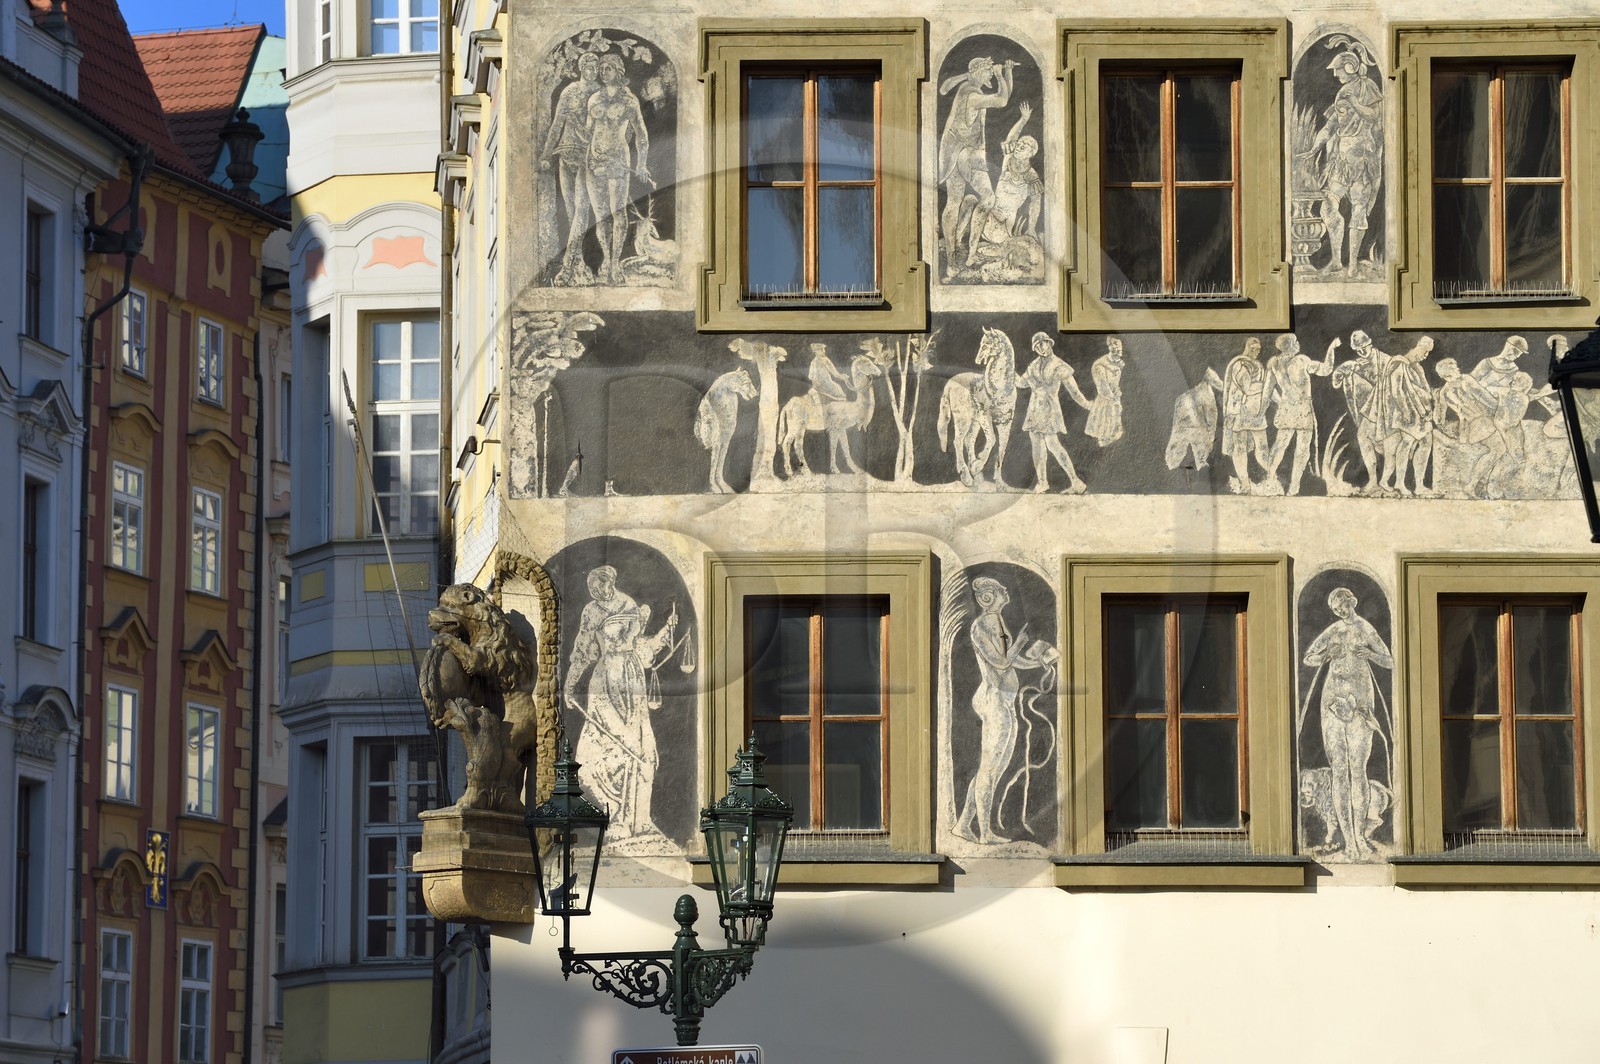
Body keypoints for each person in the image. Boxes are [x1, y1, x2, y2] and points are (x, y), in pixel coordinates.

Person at [565, 566, 675, 845]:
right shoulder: (591, 611)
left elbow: (638, 645)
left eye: (601, 585)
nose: (597, 591)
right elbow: (583, 650)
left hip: (632, 677)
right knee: (610, 742)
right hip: (605, 679)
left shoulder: (629, 604)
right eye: (592, 587)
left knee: (639, 745)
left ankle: (638, 818)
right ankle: (614, 815)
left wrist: (665, 632)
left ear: (610, 582)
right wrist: (569, 685)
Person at [954, 577, 1057, 844]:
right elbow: (1000, 663)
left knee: (993, 769)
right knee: (990, 769)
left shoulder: (997, 620)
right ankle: (985, 833)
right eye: (1001, 590)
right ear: (988, 596)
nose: (1006, 591)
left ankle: (964, 826)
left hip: (1004, 700)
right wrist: (1020, 643)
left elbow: (1011, 661)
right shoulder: (982, 625)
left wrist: (1040, 661)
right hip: (994, 699)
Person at [1302, 587, 1393, 859]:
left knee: (1358, 769)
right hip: (1332, 701)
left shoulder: (1365, 628)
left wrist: (1369, 654)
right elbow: (1308, 657)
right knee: (1339, 771)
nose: (1340, 611)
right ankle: (1349, 841)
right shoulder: (1333, 630)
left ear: (1352, 601)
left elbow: (1389, 660)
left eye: (1342, 605)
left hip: (1360, 702)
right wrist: (1326, 655)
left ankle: (1360, 837)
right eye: (1335, 608)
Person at [937, 56, 1015, 277]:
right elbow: (1002, 100)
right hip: (967, 153)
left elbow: (1004, 95)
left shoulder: (966, 89)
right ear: (979, 71)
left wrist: (1007, 72)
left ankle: (954, 260)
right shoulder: (972, 95)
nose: (991, 73)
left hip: (953, 152)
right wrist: (1000, 75)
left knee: (956, 201)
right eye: (988, 70)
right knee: (987, 199)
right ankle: (967, 254)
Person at [1307, 48, 1382, 274]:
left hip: (1363, 158)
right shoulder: (1342, 92)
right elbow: (1330, 126)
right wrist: (1314, 149)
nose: (1335, 74)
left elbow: (1373, 115)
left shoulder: (1367, 86)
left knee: (1359, 209)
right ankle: (1337, 260)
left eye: (1338, 69)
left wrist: (1356, 103)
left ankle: (1353, 265)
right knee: (1328, 206)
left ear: (1350, 67)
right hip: (1341, 159)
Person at [584, 54, 650, 285]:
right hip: (594, 161)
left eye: (608, 68)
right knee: (601, 216)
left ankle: (615, 262)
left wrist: (641, 163)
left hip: (618, 161)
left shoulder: (629, 101)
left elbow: (641, 134)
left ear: (618, 71)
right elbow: (588, 131)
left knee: (617, 212)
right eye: (601, 68)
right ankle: (606, 258)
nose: (603, 72)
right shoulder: (593, 99)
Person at [539, 51, 601, 285]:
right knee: (571, 212)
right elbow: (557, 124)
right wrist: (546, 154)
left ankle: (568, 265)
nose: (592, 71)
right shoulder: (570, 91)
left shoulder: (600, 94)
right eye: (588, 66)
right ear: (581, 68)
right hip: (566, 153)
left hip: (587, 157)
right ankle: (579, 263)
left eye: (595, 67)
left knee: (581, 209)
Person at [963, 104, 1043, 272]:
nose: (1020, 145)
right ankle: (960, 245)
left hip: (1001, 228)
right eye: (1020, 143)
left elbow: (1036, 202)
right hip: (987, 218)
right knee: (970, 200)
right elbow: (1011, 139)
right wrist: (1023, 120)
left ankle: (973, 254)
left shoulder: (1031, 176)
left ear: (1031, 153)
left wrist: (1031, 228)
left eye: (1026, 145)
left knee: (982, 207)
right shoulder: (1008, 160)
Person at [1264, 333, 1337, 495]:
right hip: (1300, 408)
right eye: (1295, 342)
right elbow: (1326, 369)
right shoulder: (1301, 360)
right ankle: (1289, 485)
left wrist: (1265, 408)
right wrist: (1331, 349)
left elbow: (1267, 391)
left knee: (1283, 445)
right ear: (1290, 346)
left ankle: (1274, 480)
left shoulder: (1275, 364)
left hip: (1290, 408)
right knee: (1298, 447)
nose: (1298, 344)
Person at [1018, 332, 1090, 493]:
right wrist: (1007, 372)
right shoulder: (1034, 364)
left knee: (1053, 445)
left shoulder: (1059, 365)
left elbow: (1073, 390)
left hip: (1050, 409)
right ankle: (1042, 482)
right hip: (1034, 410)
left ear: (1049, 343)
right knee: (1037, 446)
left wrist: (1086, 404)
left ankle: (1076, 481)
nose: (1039, 348)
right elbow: (1022, 383)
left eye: (1041, 344)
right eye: (1036, 346)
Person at [1331, 329, 1396, 492]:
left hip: (1386, 410)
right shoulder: (1356, 364)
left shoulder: (1385, 360)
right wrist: (1342, 370)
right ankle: (1373, 481)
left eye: (1363, 348)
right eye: (1357, 350)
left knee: (1389, 446)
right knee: (1364, 437)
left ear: (1370, 344)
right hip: (1370, 411)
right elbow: (1336, 382)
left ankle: (1385, 481)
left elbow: (1393, 383)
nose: (1361, 352)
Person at [1380, 336, 1435, 495]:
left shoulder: (1417, 367)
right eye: (1425, 351)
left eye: (1428, 353)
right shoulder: (1399, 364)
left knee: (1426, 443)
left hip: (1422, 413)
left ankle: (1419, 485)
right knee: (1407, 443)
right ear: (1417, 345)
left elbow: (1424, 389)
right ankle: (1399, 483)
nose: (1425, 356)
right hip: (1407, 412)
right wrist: (1405, 411)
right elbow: (1396, 391)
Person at [1221, 337, 1272, 493]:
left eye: (1259, 350)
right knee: (1240, 448)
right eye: (1256, 350)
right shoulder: (1239, 364)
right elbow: (1248, 388)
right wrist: (1266, 386)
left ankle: (1272, 477)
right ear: (1250, 348)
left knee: (1263, 448)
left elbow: (1264, 391)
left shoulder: (1258, 365)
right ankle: (1245, 485)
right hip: (1240, 412)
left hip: (1256, 412)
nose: (1258, 353)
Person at [1085, 337, 1126, 447]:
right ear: (1111, 347)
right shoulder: (1100, 365)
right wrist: (1114, 400)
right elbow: (1103, 388)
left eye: (1120, 348)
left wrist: (1116, 394)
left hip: (1114, 399)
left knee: (1116, 433)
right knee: (1105, 433)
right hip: (1105, 402)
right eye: (1116, 347)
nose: (1119, 351)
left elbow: (1114, 383)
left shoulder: (1118, 363)